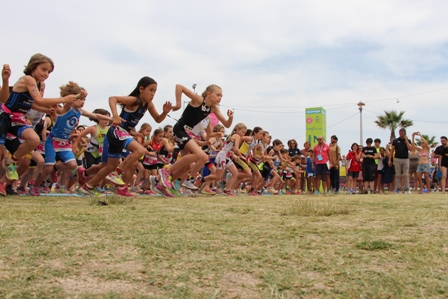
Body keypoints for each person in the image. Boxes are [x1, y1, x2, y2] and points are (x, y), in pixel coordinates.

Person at [79, 76, 173, 197]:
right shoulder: (135, 100)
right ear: (141, 89)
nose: (153, 93)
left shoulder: (148, 104)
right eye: (151, 90)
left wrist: (165, 112)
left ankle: (88, 186)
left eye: (155, 91)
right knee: (140, 150)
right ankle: (116, 174)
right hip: (116, 131)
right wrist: (115, 115)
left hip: (122, 134)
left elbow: (158, 119)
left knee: (112, 166)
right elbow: (113, 98)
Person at [0, 54, 77, 181]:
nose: (46, 74)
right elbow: (39, 100)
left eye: (49, 72)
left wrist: (46, 110)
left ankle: (11, 161)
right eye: (44, 69)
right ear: (33, 67)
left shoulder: (38, 83)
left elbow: (32, 103)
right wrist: (64, 99)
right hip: (5, 116)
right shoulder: (28, 79)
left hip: (18, 118)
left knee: (34, 139)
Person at [31, 82, 111, 196]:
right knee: (47, 168)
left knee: (73, 166)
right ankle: (35, 186)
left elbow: (96, 116)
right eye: (80, 99)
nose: (82, 102)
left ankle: (56, 167)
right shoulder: (67, 108)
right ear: (72, 98)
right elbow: (68, 101)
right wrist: (77, 96)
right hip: (53, 141)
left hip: (64, 143)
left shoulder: (80, 112)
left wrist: (111, 119)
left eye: (84, 100)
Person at [157, 84, 233, 195]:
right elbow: (179, 87)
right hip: (179, 130)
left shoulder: (213, 108)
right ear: (209, 94)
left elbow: (226, 124)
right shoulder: (199, 100)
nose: (220, 98)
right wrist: (178, 104)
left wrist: (230, 118)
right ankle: (167, 171)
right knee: (202, 156)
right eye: (218, 95)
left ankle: (162, 184)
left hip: (187, 133)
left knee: (188, 165)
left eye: (221, 96)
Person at [388, 128, 413, 194]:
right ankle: (398, 188)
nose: (401, 135)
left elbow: (410, 149)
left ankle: (406, 188)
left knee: (405, 174)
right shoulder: (396, 141)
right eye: (400, 133)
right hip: (397, 159)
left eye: (402, 133)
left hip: (405, 159)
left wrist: (407, 141)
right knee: (398, 174)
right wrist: (390, 159)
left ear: (405, 133)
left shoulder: (408, 140)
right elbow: (392, 151)